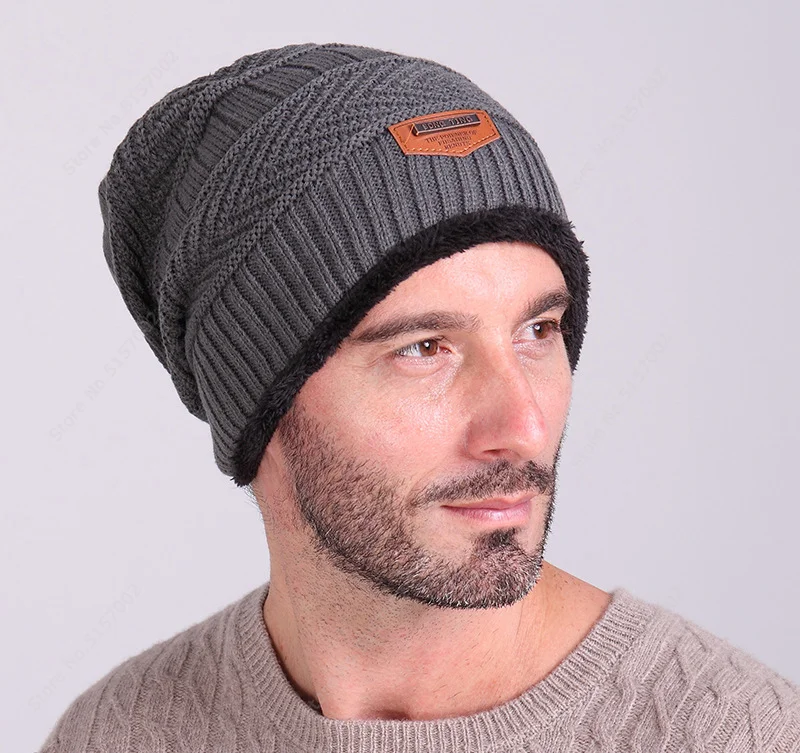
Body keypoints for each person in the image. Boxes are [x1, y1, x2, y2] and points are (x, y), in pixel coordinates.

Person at [40, 42, 799, 753]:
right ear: (261, 402)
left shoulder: (733, 733)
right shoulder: (123, 734)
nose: (524, 426)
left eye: (538, 330)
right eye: (424, 348)